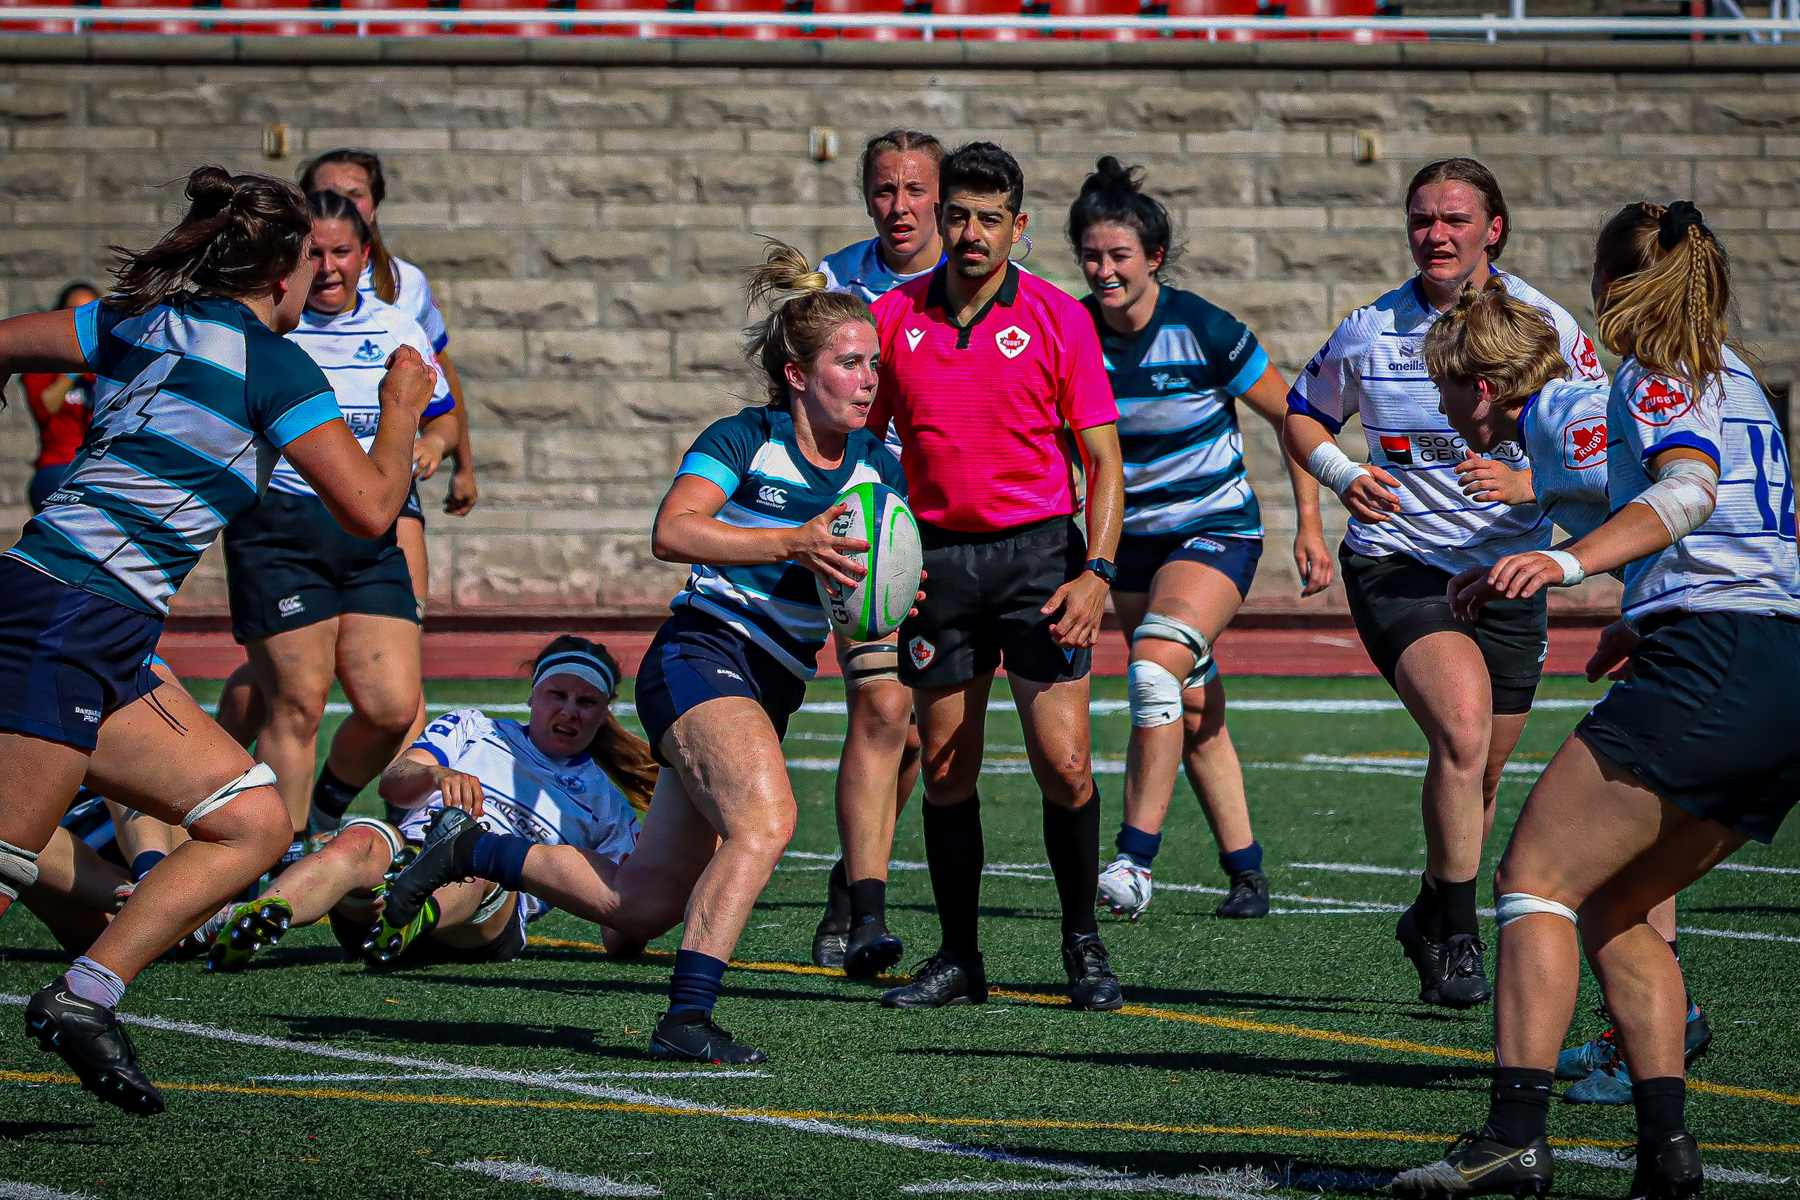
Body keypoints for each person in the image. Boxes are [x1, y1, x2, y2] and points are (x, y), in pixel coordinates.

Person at [379, 242, 912, 1064]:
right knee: (766, 823)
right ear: (800, 375)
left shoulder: (880, 467)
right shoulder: (746, 439)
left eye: (873, 362)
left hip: (772, 681)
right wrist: (793, 541)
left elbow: (873, 594)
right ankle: (685, 1021)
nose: (870, 378)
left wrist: (901, 598)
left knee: (636, 906)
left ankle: (472, 850)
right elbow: (672, 530)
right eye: (850, 363)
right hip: (702, 655)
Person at [0, 164, 435, 1115]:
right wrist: (401, 410)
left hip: (90, 622)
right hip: (68, 612)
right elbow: (368, 508)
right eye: (311, 259)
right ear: (281, 272)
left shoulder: (134, 321)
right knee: (4, 865)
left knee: (254, 823)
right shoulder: (272, 363)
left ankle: (85, 998)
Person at [1393, 203, 1798, 1199]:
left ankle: (1512, 1139)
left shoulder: (1657, 369)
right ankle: (1666, 1154)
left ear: (1613, 289)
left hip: (1720, 655)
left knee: (1532, 879)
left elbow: (1690, 493)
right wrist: (1641, 614)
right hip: (1776, 662)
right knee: (1616, 902)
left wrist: (1566, 559)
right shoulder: (1730, 373)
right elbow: (1733, 529)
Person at [1283, 157, 1609, 1011]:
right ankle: (1462, 938)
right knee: (1461, 732)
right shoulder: (1371, 329)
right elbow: (1302, 410)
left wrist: (1534, 486)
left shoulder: (1547, 328)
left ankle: (1429, 911)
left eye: (1456, 220)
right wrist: (1339, 472)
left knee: (1483, 772)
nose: (1437, 235)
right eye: (1423, 219)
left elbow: (1603, 447)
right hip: (1399, 561)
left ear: (1492, 229)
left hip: (1508, 570)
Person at [1428, 278, 1713, 1106]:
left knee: (1552, 874)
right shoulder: (1562, 419)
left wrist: (1559, 557)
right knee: (1630, 863)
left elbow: (1671, 493)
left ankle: (1549, 1108)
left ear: (1481, 388)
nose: (1438, 408)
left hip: (1715, 642)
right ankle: (1653, 1044)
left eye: (1443, 388)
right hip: (1706, 632)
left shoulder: (1559, 416)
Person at [863, 142, 1128, 1012]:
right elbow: (866, 445)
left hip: (1042, 562)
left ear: (1018, 226)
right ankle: (960, 957)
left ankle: (1081, 945)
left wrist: (1096, 573)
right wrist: (878, 557)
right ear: (939, 220)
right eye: (958, 216)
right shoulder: (895, 317)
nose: (971, 233)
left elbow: (1102, 461)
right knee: (943, 766)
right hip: (939, 564)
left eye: (989, 218)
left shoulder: (1059, 316)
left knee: (1069, 765)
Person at [1069, 157, 1333, 925]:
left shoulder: (1205, 329)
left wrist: (1309, 524)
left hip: (1213, 529)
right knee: (1187, 703)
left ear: (1154, 257)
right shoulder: (1070, 330)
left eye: (1120, 255)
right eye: (1092, 255)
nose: (1104, 269)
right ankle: (1246, 870)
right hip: (1124, 546)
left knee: (1152, 671)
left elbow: (1296, 416)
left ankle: (1134, 862)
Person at [221, 190, 458, 846]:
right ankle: (272, 860)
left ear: (366, 255)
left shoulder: (397, 329)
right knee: (295, 704)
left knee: (391, 709)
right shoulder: (269, 328)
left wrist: (434, 447)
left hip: (372, 529)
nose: (327, 265)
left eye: (341, 251)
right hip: (280, 525)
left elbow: (440, 413)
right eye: (312, 252)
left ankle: (325, 808)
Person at [204, 638, 649, 972]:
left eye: (586, 702)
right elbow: (393, 786)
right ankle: (264, 912)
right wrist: (436, 774)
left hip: (478, 923)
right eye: (558, 694)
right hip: (398, 870)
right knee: (359, 838)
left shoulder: (607, 806)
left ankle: (412, 915)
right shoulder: (473, 726)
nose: (570, 711)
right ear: (533, 694)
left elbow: (618, 923)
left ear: (604, 712)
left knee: (476, 865)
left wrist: (648, 909)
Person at [809, 128, 944, 976]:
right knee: (883, 710)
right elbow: (786, 378)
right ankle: (862, 911)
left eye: (914, 191)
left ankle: (851, 871)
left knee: (928, 732)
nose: (899, 207)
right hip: (863, 514)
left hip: (947, 514)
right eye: (884, 190)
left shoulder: (979, 277)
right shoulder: (832, 280)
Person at [21, 282, 100, 511]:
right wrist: (74, 372)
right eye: (76, 313)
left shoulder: (106, 370)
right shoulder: (44, 366)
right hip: (58, 464)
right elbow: (45, 408)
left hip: (99, 467)